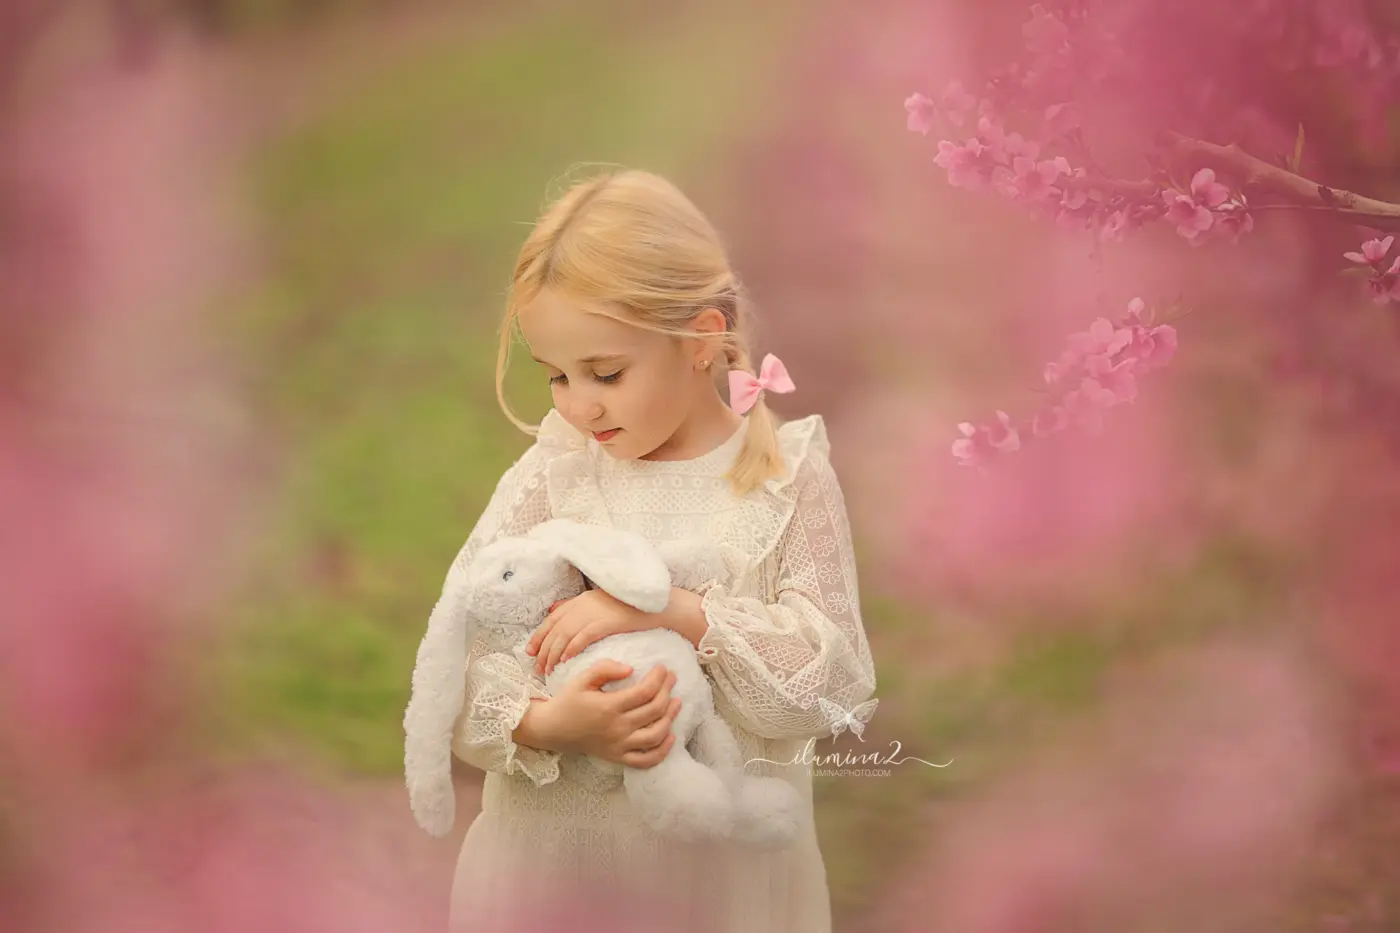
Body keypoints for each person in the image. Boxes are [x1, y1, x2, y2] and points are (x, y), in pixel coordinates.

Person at [429, 167, 876, 932]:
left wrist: (672, 612)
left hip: (713, 891)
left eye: (605, 372)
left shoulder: (782, 479)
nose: (578, 403)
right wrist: (546, 722)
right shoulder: (556, 471)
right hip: (554, 875)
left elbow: (833, 683)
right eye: (556, 376)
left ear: (701, 340)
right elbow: (454, 661)